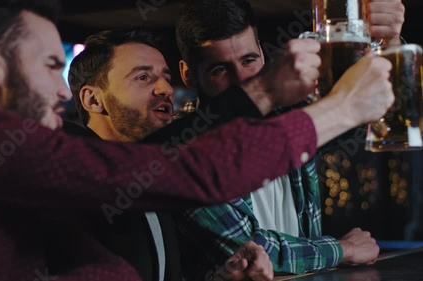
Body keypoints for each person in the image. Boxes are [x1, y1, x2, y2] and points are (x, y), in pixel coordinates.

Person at [0, 0, 394, 280]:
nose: (62, 90)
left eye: (164, 76)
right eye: (50, 66)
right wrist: (341, 106)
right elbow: (193, 171)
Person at [144, 0, 405, 278]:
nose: (241, 79)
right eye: (219, 69)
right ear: (188, 75)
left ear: (263, 55)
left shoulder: (290, 117)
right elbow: (251, 248)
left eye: (248, 61)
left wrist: (389, 42)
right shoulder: (184, 146)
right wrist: (343, 249)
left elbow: (381, 110)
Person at [65, 28, 274, 281]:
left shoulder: (154, 176)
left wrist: (224, 276)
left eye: (166, 77)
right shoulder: (74, 173)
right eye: (143, 77)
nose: (166, 89)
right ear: (93, 100)